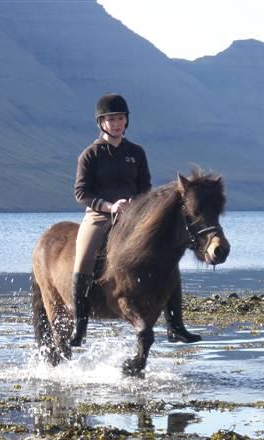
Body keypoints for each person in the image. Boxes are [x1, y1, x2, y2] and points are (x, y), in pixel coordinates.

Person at [70, 92, 201, 346]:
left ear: (126, 121)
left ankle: (176, 325)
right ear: (101, 123)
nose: (116, 123)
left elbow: (145, 188)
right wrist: (110, 205)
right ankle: (80, 326)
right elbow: (81, 193)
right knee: (84, 259)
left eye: (120, 118)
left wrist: (138, 205)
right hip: (99, 215)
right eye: (111, 119)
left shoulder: (136, 153)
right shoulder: (90, 155)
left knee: (168, 258)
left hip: (133, 217)